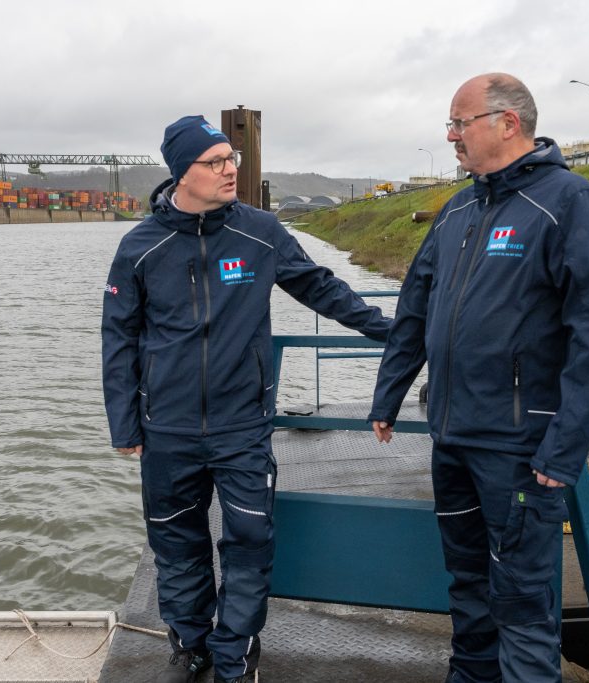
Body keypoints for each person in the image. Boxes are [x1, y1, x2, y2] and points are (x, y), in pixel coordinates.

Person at [103, 114, 391, 683]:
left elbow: (321, 287)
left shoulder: (261, 232)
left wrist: (395, 331)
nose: (229, 169)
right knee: (177, 545)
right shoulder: (140, 247)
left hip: (241, 427)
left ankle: (235, 656)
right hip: (168, 429)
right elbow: (119, 339)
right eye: (214, 162)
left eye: (231, 158)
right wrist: (125, 425)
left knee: (249, 543)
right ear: (181, 173)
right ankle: (189, 647)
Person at [369, 73, 589, 682]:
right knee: (468, 587)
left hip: (519, 447)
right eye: (449, 125)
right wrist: (390, 393)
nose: (451, 136)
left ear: (508, 123)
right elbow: (416, 308)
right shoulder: (459, 207)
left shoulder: (567, 201)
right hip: (453, 436)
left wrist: (563, 450)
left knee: (522, 599)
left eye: (460, 123)